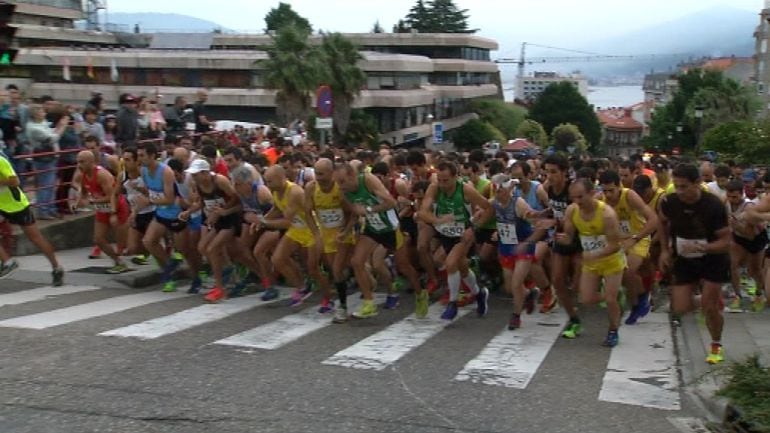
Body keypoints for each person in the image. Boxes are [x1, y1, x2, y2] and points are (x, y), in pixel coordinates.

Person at [335, 161, 428, 320]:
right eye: (337, 182)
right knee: (357, 261)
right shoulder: (345, 191)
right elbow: (356, 212)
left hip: (391, 228)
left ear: (352, 176)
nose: (340, 186)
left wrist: (369, 209)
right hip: (373, 228)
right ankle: (369, 303)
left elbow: (391, 202)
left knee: (403, 266)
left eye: (342, 181)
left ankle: (421, 293)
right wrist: (346, 230)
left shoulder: (368, 180)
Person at [658, 163, 730, 364]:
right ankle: (706, 299)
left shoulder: (713, 205)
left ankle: (716, 344)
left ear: (697, 183)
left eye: (684, 186)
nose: (679, 191)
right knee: (680, 307)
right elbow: (661, 222)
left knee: (710, 308)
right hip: (684, 258)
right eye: (676, 186)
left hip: (712, 258)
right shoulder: (669, 202)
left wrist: (703, 247)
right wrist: (664, 249)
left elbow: (726, 242)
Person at [417, 160, 493, 321]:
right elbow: (423, 212)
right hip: (445, 232)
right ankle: (479, 294)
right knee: (462, 267)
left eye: (446, 180)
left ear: (455, 177)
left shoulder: (466, 190)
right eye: (440, 179)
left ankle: (453, 303)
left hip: (463, 232)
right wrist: (438, 220)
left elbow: (489, 208)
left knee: (450, 263)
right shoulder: (434, 187)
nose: (443, 184)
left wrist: (474, 227)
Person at [558, 178, 626, 347]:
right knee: (586, 299)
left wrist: (595, 253)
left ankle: (613, 330)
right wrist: (560, 238)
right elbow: (569, 237)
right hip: (591, 261)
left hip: (611, 261)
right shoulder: (572, 211)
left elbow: (615, 245)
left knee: (609, 300)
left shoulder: (607, 214)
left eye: (581, 197)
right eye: (573, 198)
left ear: (592, 193)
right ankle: (616, 296)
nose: (577, 202)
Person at [598, 170, 658, 325]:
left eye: (611, 190)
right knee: (621, 274)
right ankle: (640, 299)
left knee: (628, 269)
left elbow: (653, 219)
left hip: (639, 237)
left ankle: (640, 300)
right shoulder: (600, 200)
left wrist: (635, 238)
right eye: (605, 191)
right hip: (618, 241)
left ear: (619, 186)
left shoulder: (630, 196)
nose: (608, 195)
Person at [0, 152, 64, 285]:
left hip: (17, 205)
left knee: (36, 238)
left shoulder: (1, 161)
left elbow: (15, 181)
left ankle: (56, 267)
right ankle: (8, 262)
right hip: (1, 206)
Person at [72, 150, 130, 273]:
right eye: (77, 162)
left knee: (123, 243)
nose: (79, 165)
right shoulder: (83, 175)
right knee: (98, 239)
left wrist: (93, 202)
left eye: (82, 162)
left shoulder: (102, 175)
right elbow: (83, 192)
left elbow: (112, 196)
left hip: (116, 207)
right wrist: (76, 204)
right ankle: (118, 261)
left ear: (91, 162)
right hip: (102, 208)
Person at [724, 179, 767, 312]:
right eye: (729, 196)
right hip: (738, 237)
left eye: (735, 197)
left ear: (742, 194)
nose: (732, 199)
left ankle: (759, 294)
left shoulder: (748, 207)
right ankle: (737, 295)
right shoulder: (726, 202)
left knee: (754, 270)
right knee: (733, 265)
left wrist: (736, 226)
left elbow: (750, 235)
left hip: (755, 238)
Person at [26, 104, 68, 220]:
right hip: (43, 159)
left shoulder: (42, 123)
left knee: (50, 185)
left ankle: (50, 208)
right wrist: (62, 126)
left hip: (50, 157)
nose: (44, 112)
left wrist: (58, 126)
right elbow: (53, 138)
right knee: (45, 185)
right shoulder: (33, 127)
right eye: (41, 110)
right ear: (35, 114)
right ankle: (43, 211)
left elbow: (52, 131)